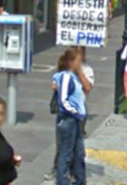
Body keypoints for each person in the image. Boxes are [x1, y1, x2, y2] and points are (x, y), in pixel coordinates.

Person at [52, 48, 88, 185]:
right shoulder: (66, 77)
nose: (80, 63)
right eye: (78, 61)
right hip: (68, 119)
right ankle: (62, 181)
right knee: (66, 154)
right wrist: (75, 111)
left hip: (75, 119)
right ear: (71, 62)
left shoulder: (74, 77)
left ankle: (80, 181)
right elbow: (63, 100)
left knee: (79, 153)